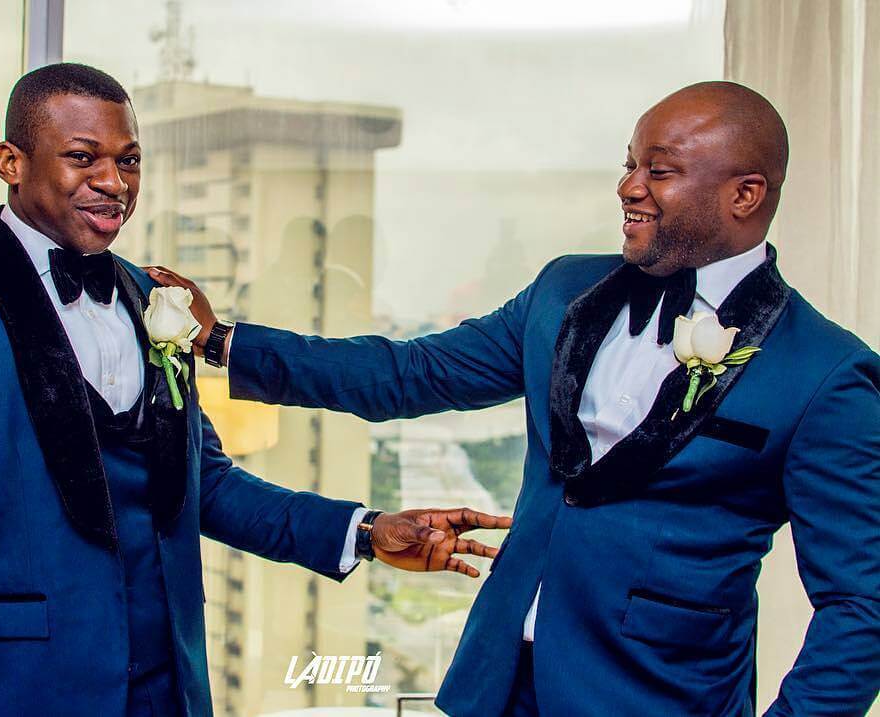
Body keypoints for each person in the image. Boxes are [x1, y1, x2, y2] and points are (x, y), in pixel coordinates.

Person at [149, 81, 880, 716]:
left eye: (659, 171)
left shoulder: (827, 374)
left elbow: (861, 607)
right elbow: (409, 372)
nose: (629, 187)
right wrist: (222, 342)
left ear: (745, 194)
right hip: (494, 686)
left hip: (659, 696)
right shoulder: (563, 290)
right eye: (629, 164)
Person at [0, 62, 509, 717]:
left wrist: (366, 530)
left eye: (130, 160)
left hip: (172, 690)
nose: (114, 184)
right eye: (83, 158)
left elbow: (210, 485)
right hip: (20, 692)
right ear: (11, 162)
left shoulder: (152, 298)